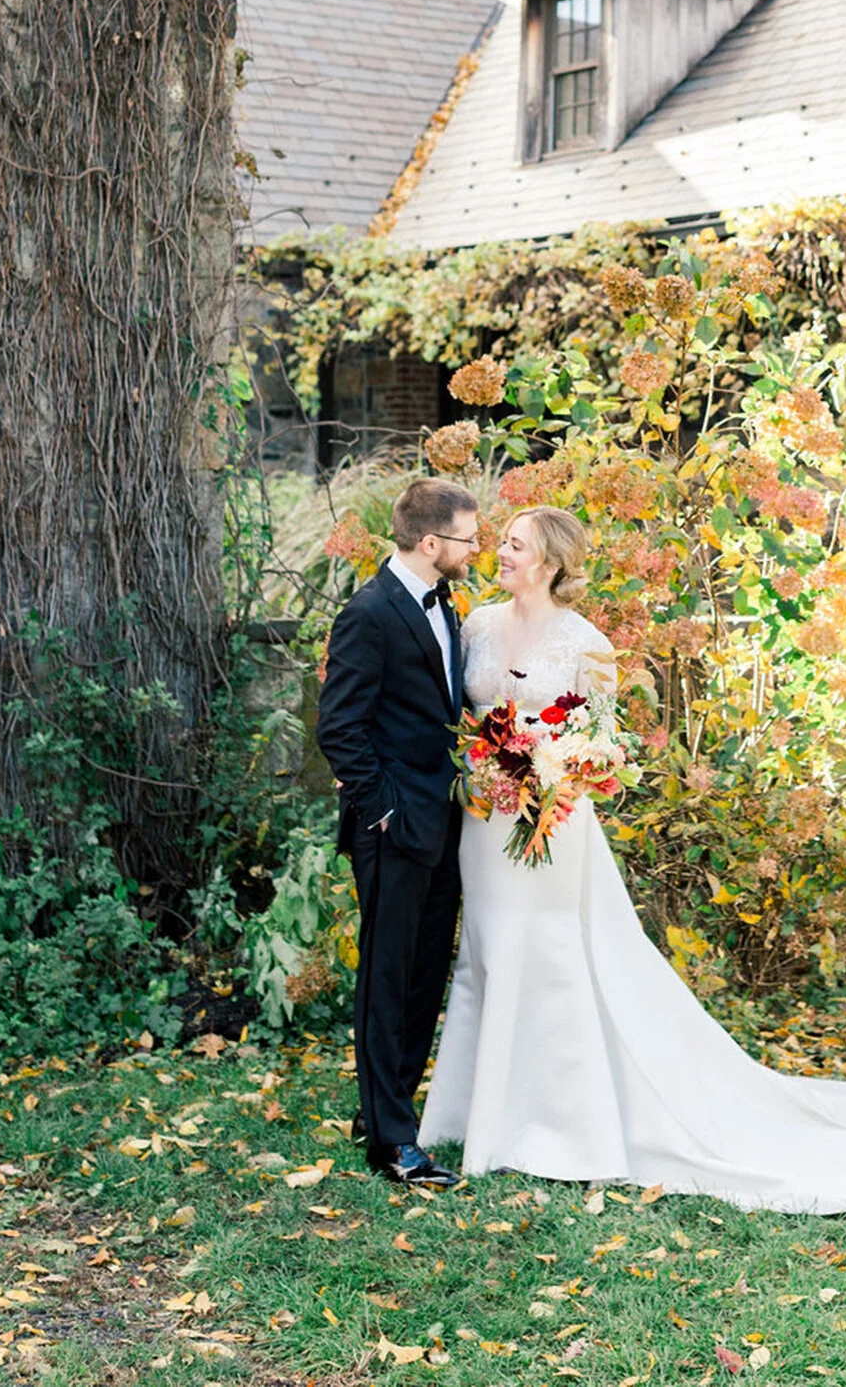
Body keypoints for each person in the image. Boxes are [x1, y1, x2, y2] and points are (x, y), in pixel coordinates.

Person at [419, 505, 846, 1215]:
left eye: (514, 545)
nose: (500, 553)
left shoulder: (587, 643)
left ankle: (566, 1128)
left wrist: (554, 769)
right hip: (485, 820)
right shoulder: (475, 625)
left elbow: (602, 746)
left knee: (552, 960)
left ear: (551, 563)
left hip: (553, 824)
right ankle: (475, 1117)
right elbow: (464, 719)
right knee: (488, 957)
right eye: (501, 542)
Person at [316, 475, 479, 1187]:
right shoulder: (370, 612)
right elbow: (339, 729)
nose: (477, 551)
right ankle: (390, 1143)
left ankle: (387, 1108)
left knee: (422, 975)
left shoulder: (446, 604)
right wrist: (381, 810)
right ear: (432, 541)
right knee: (388, 979)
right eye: (470, 540)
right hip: (393, 826)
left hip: (444, 821)